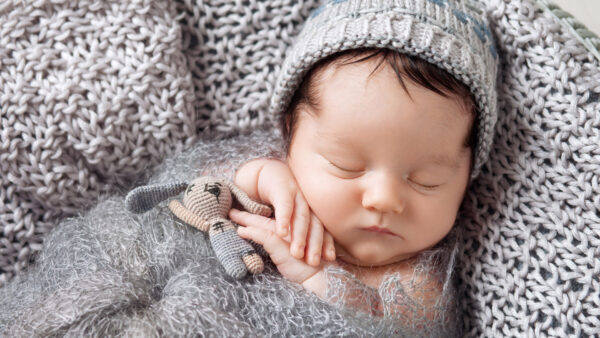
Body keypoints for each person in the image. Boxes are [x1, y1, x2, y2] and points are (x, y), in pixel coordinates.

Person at [230, 0, 498, 320]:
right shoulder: (274, 185)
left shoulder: (418, 285)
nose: (384, 199)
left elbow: (400, 327)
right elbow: (189, 199)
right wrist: (256, 177)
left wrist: (317, 278)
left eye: (427, 179)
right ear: (289, 134)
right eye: (346, 164)